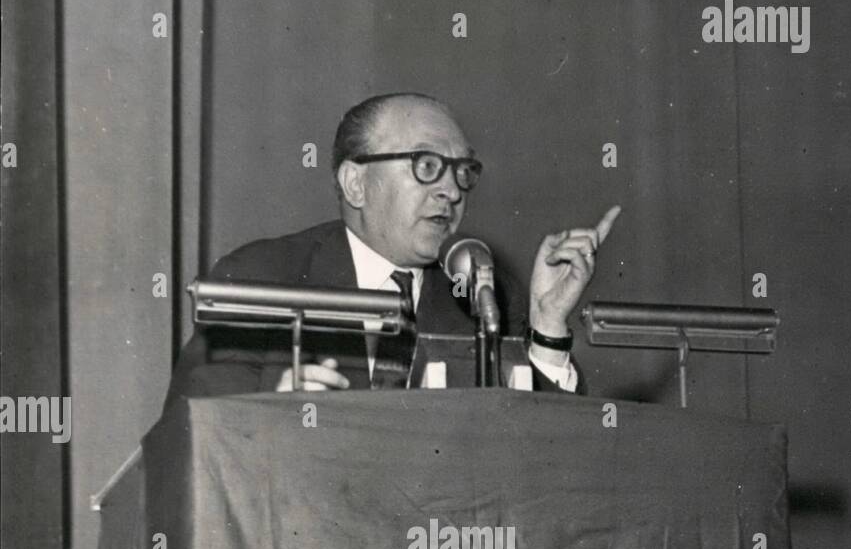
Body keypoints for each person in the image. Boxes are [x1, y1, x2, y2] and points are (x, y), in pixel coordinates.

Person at [163, 92, 620, 407]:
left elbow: (552, 458)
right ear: (356, 183)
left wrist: (546, 327)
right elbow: (193, 439)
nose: (452, 191)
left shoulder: (486, 295)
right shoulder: (261, 278)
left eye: (463, 171)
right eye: (427, 166)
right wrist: (266, 421)